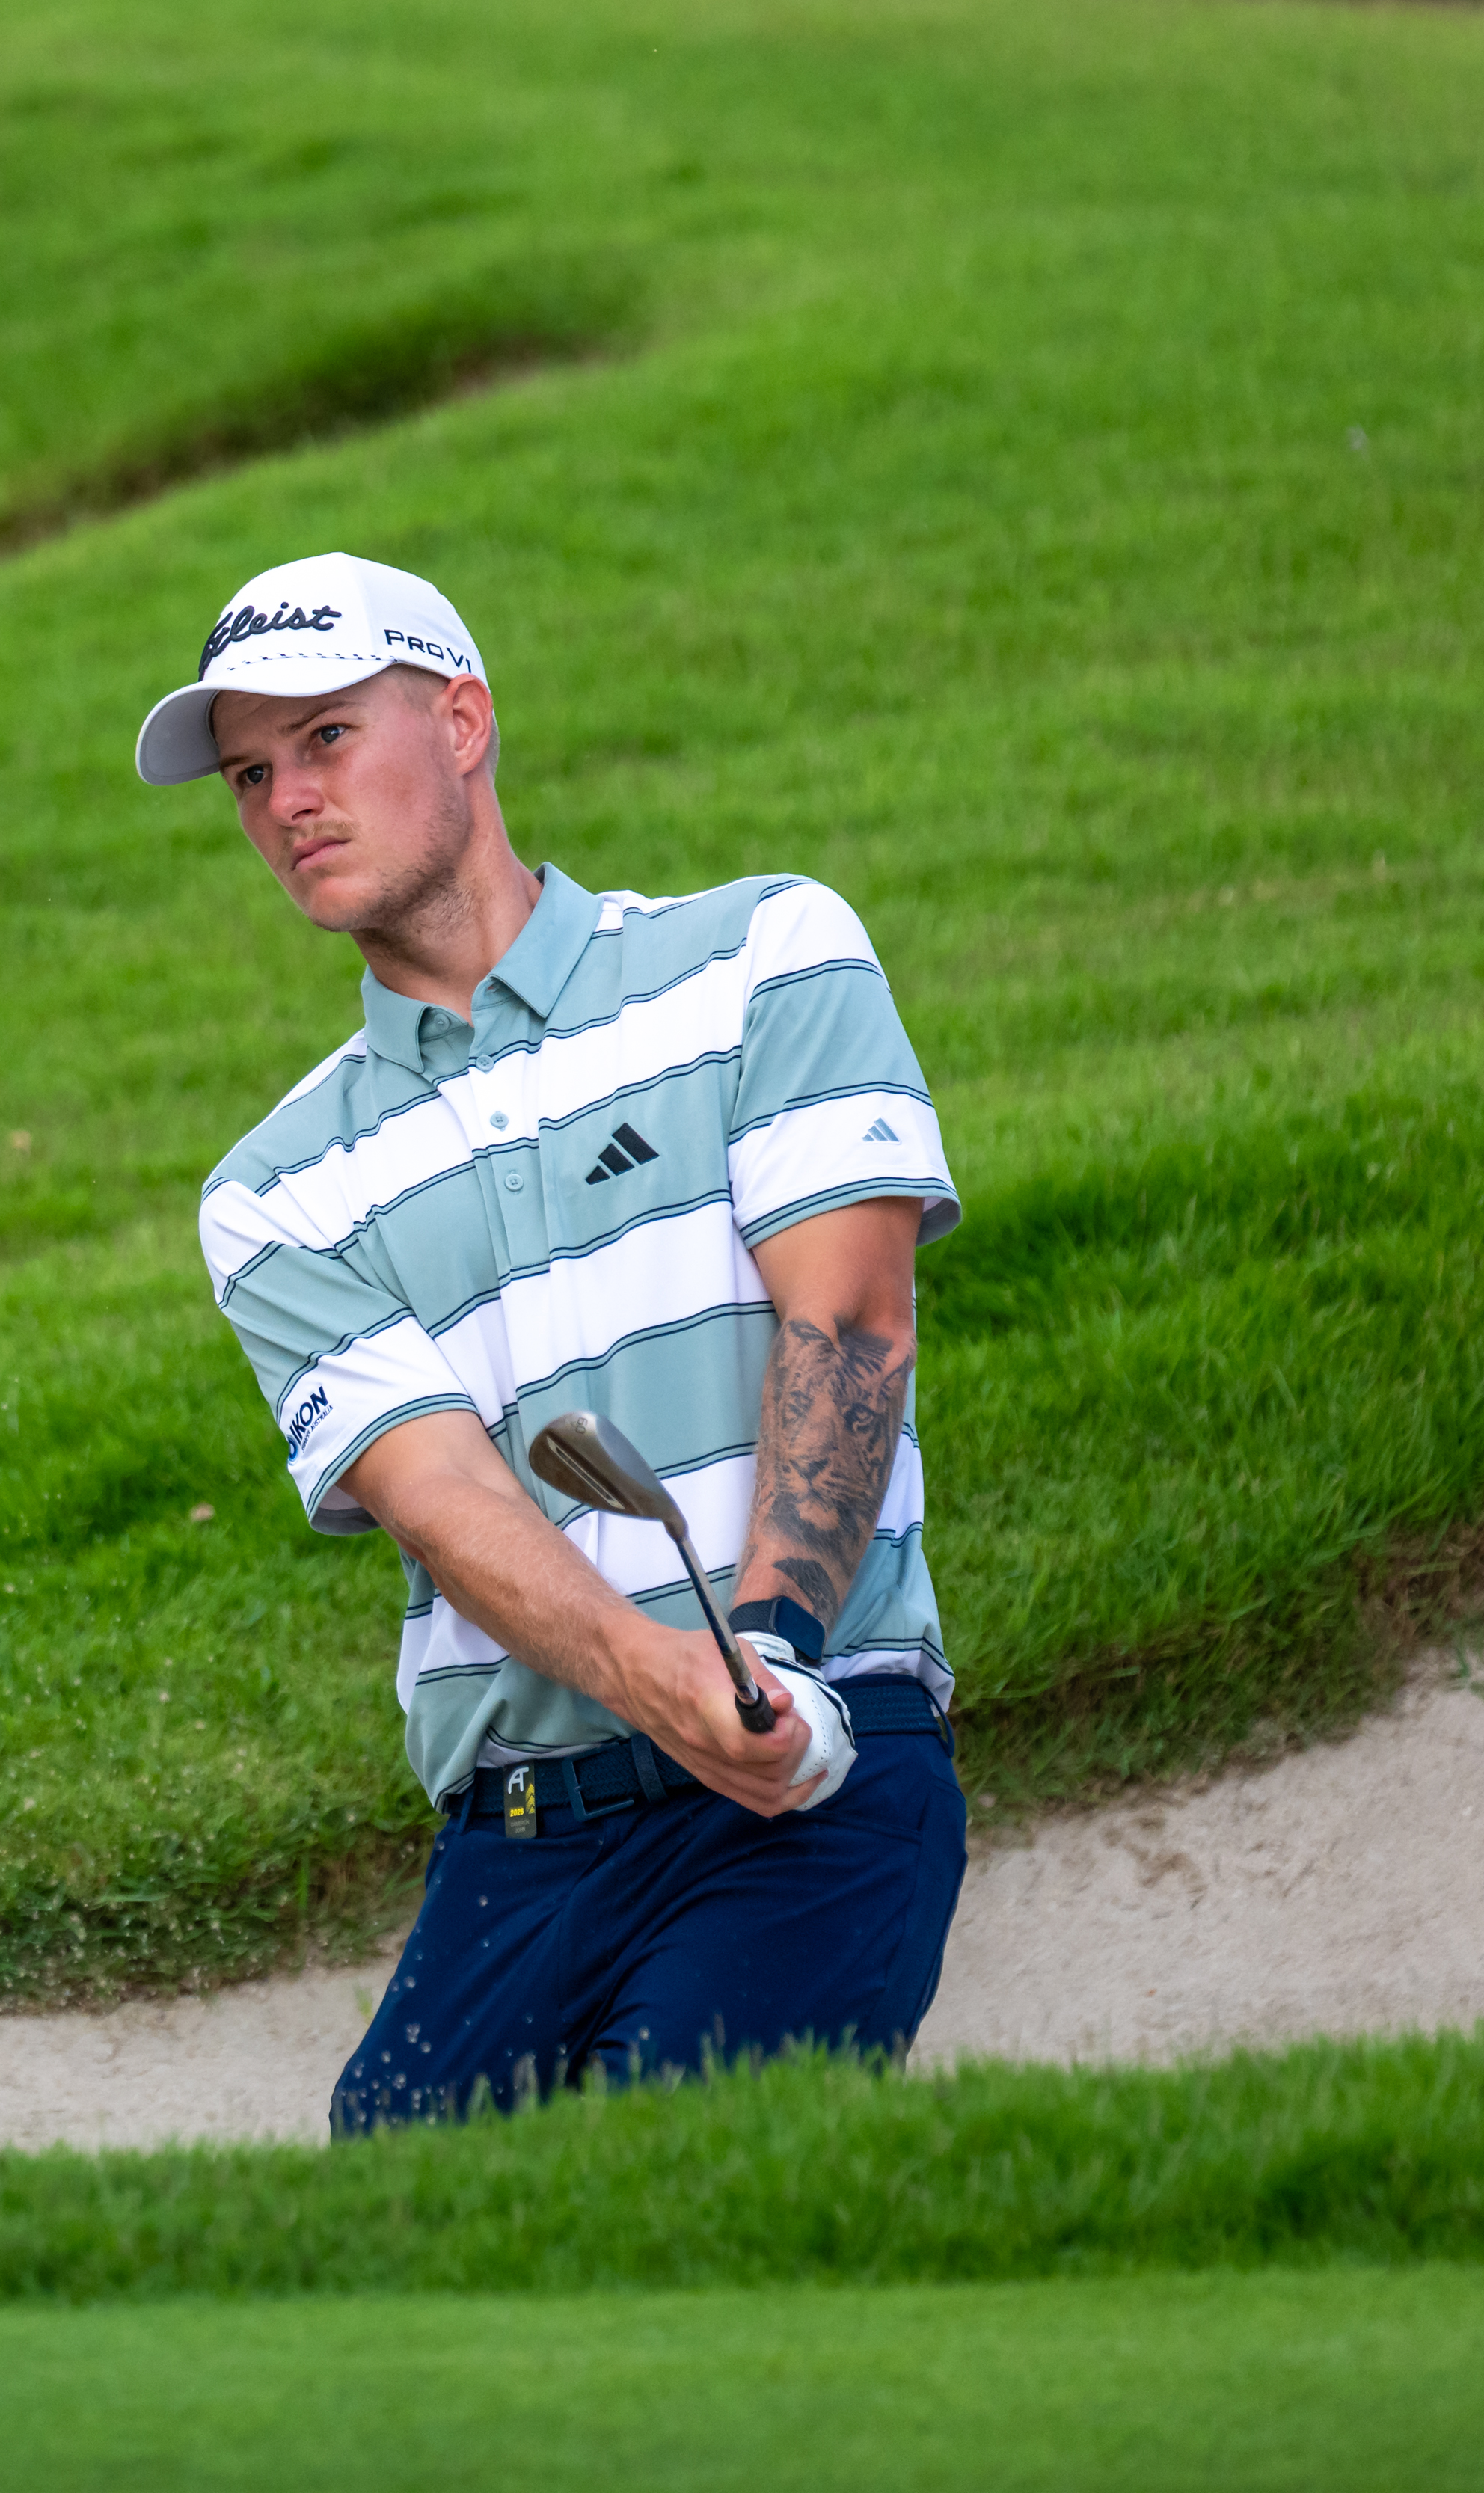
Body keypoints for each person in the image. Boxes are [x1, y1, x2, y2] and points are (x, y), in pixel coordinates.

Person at [138, 552, 969, 2132]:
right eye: (250, 772)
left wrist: (767, 1658)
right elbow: (442, 1498)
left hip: (815, 1776)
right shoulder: (275, 1188)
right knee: (395, 2291)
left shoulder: (761, 959)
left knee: (670, 2226)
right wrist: (664, 1681)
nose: (283, 801)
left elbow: (849, 1318)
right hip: (518, 1843)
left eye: (323, 738)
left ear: (462, 720)